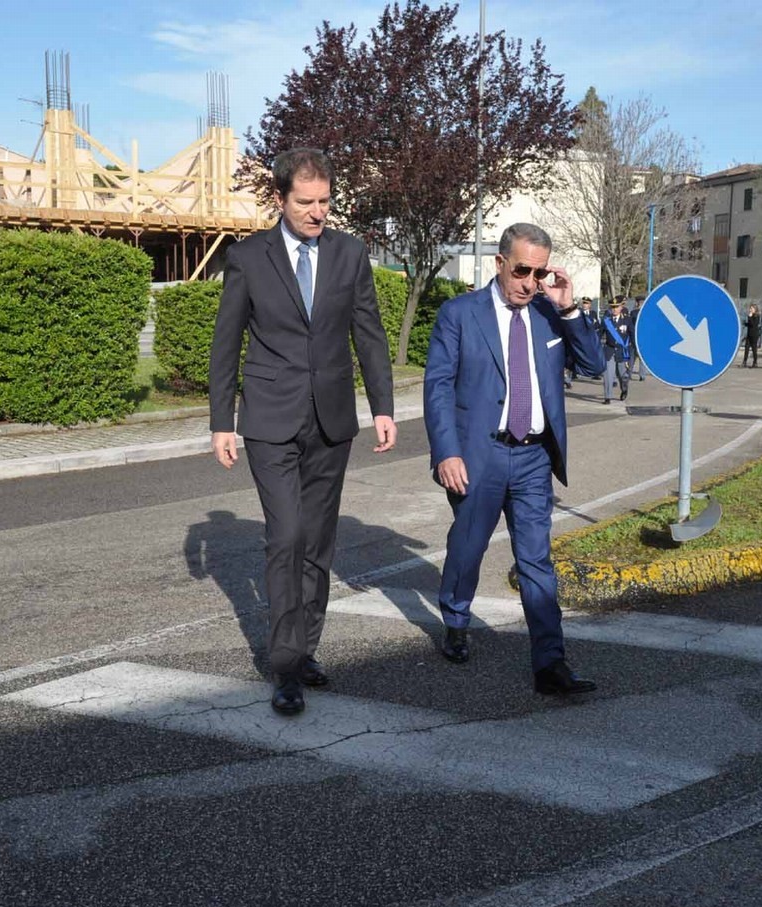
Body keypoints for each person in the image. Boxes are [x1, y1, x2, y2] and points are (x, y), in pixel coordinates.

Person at [208, 148, 397, 716]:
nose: (317, 213)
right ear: (280, 199)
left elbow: (369, 332)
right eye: (305, 203)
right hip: (268, 418)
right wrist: (223, 421)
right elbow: (226, 342)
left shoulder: (349, 253)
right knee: (286, 535)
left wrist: (382, 407)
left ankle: (306, 648)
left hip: (333, 418)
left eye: (325, 202)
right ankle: (285, 665)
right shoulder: (247, 258)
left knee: (317, 542)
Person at [423, 222, 605, 695]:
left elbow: (594, 366)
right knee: (468, 547)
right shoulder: (460, 314)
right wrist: (447, 452)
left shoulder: (549, 314)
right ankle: (456, 619)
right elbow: (438, 387)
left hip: (533, 461)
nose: (530, 282)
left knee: (536, 561)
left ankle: (550, 663)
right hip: (478, 455)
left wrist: (568, 309)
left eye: (540, 273)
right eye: (522, 270)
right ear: (500, 263)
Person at [600, 297, 632, 404]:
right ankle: (607, 397)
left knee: (622, 375)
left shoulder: (627, 320)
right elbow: (599, 335)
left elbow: (632, 335)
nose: (614, 309)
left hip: (622, 351)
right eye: (612, 307)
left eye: (616, 307)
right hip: (609, 350)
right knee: (608, 375)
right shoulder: (606, 321)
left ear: (621, 307)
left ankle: (624, 389)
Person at [742, 303, 762, 367]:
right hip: (749, 335)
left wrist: (750, 317)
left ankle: (755, 362)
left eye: (751, 308)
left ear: (755, 309)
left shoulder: (757, 316)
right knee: (746, 348)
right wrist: (745, 323)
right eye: (750, 308)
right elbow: (750, 324)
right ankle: (744, 362)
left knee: (754, 349)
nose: (750, 310)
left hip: (754, 335)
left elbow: (753, 325)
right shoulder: (750, 315)